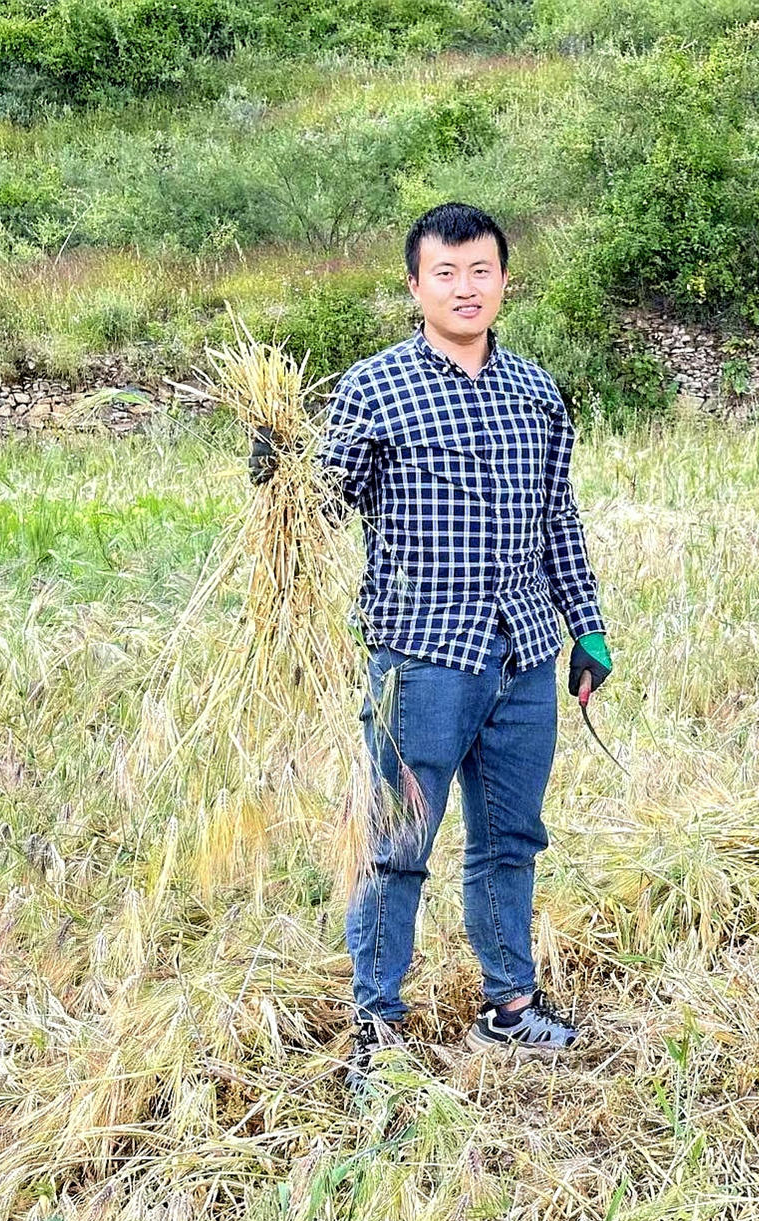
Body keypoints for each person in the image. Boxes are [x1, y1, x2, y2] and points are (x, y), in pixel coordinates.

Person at [252, 202, 613, 1081]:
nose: (464, 288)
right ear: (415, 286)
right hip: (419, 658)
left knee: (511, 838)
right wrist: (279, 476)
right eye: (445, 273)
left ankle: (510, 1006)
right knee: (396, 847)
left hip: (522, 652)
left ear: (504, 281)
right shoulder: (373, 388)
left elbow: (556, 517)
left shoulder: (535, 392)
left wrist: (588, 625)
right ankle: (376, 1024)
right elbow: (323, 503)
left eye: (479, 271)